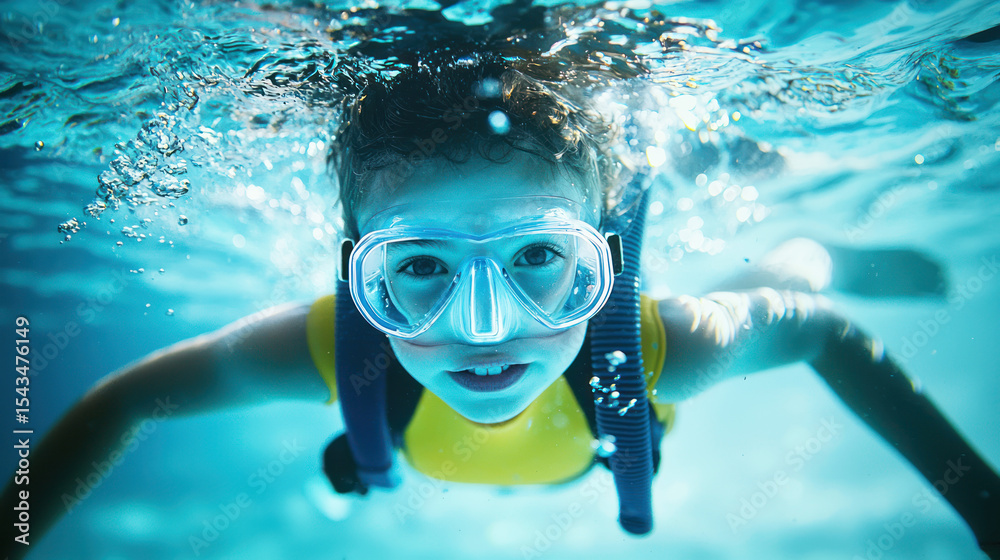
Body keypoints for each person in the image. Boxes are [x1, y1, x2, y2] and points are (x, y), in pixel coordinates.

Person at [3, 50, 998, 559]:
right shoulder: (332, 346)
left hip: (612, 421)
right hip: (584, 446)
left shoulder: (652, 348)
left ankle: (824, 248)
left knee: (787, 280)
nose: (486, 327)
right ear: (360, 276)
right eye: (420, 267)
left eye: (537, 256)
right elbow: (125, 401)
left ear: (604, 261)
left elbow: (823, 335)